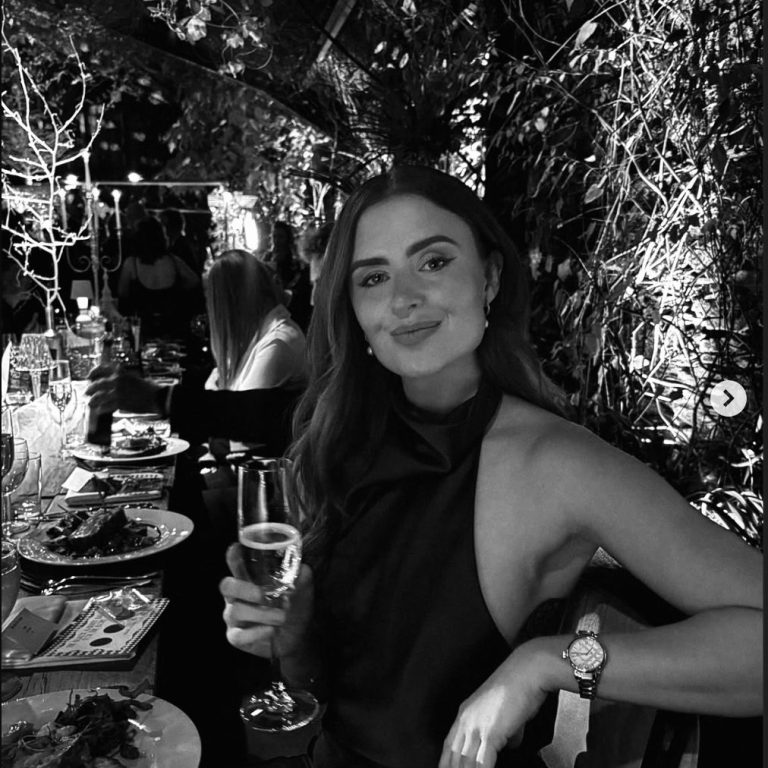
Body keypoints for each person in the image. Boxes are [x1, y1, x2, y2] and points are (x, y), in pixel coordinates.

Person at [217, 166, 762, 768]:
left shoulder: (557, 463)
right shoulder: (339, 443)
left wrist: (548, 663)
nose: (402, 298)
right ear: (353, 308)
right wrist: (294, 638)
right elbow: (328, 695)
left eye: (433, 262)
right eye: (373, 277)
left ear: (491, 277)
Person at [204, 249, 307, 456]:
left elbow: (237, 421)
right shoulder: (258, 336)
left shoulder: (277, 343)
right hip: (243, 461)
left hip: (264, 469)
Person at [117, 215, 202, 340]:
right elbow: (194, 281)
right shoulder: (174, 261)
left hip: (142, 332)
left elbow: (122, 293)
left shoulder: (131, 264)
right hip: (172, 330)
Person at [263, 220, 313, 333]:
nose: (277, 241)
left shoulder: (295, 261)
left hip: (292, 307)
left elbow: (300, 286)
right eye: (274, 236)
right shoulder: (268, 257)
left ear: (287, 238)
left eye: (280, 237)